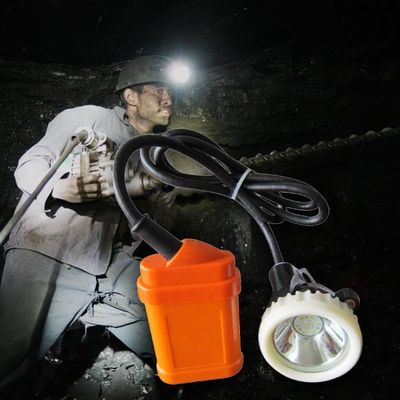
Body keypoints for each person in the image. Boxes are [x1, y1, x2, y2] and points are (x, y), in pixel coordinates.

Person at [0, 55, 176, 391]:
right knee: (8, 359)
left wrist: (156, 189)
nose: (168, 97)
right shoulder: (88, 118)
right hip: (48, 254)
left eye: (170, 90)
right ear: (131, 96)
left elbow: (150, 223)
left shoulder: (149, 152)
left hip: (107, 265)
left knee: (167, 332)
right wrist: (59, 187)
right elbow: (30, 163)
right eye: (158, 89)